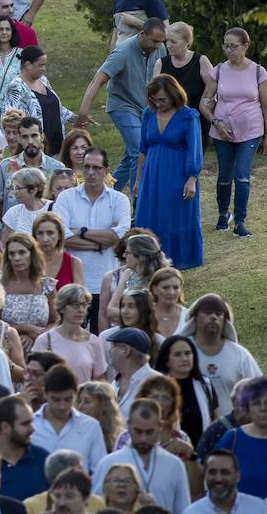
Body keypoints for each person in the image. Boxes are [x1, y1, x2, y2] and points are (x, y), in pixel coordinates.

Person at [75, 19, 168, 194]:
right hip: (122, 106)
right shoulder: (123, 51)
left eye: (160, 42)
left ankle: (104, 195)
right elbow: (97, 80)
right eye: (154, 41)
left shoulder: (160, 50)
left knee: (129, 159)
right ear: (142, 34)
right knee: (139, 151)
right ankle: (138, 205)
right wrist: (83, 112)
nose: (157, 46)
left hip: (145, 109)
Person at [198, 26, 267, 237]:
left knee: (242, 176)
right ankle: (222, 215)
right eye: (226, 46)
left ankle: (240, 222)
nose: (229, 50)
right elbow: (204, 102)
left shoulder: (258, 72)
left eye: (233, 46)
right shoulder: (218, 71)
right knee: (225, 176)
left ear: (246, 46)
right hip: (222, 132)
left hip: (251, 131)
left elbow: (265, 105)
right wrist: (216, 122)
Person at [52, 148, 130, 320]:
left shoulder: (119, 200)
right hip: (73, 284)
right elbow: (61, 235)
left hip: (108, 283)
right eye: (86, 167)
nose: (90, 172)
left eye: (96, 168)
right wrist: (99, 244)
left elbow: (119, 235)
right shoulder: (66, 197)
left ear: (106, 171)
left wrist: (80, 231)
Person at [133, 75, 202, 269]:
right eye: (154, 99)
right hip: (151, 174)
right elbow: (142, 149)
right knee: (150, 213)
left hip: (177, 173)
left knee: (174, 215)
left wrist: (192, 178)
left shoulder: (188, 116)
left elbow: (194, 149)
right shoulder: (148, 113)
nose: (158, 103)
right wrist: (138, 179)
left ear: (174, 95)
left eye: (162, 99)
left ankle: (178, 259)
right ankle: (149, 259)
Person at [93, 398, 191, 514]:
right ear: (128, 425)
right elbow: (95, 509)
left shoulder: (174, 465)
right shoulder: (108, 463)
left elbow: (183, 513)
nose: (143, 438)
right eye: (138, 432)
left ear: (160, 426)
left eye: (149, 432)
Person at [31, 365, 108, 475]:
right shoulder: (31, 424)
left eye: (68, 399)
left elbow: (99, 471)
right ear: (45, 394)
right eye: (56, 400)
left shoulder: (91, 426)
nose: (62, 406)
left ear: (75, 395)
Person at [214, 375, 267, 498]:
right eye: (256, 403)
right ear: (247, 407)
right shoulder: (233, 437)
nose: (263, 408)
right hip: (239, 513)